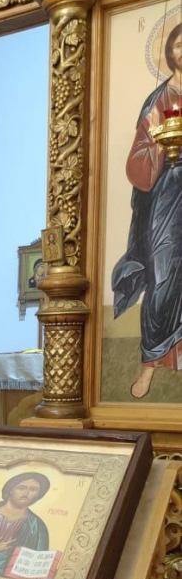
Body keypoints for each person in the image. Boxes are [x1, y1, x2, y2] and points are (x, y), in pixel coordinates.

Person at [112, 22, 182, 400]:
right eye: (179, 45)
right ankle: (150, 364)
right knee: (163, 274)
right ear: (170, 51)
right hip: (167, 194)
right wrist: (158, 138)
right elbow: (137, 162)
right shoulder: (159, 99)